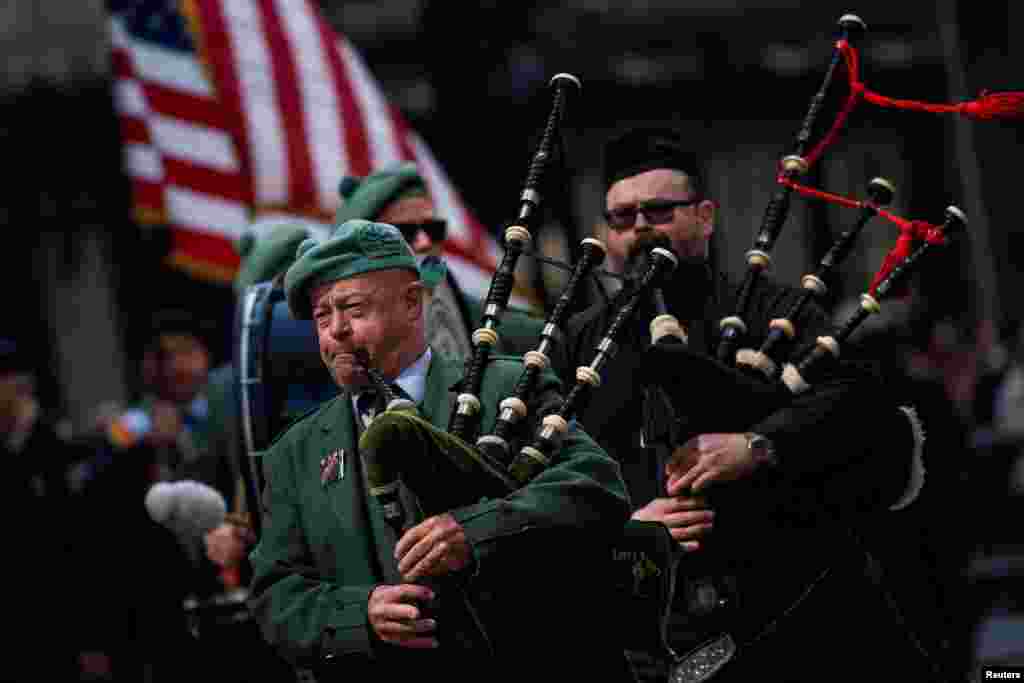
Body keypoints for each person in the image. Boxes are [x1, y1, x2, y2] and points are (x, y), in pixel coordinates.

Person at [551, 127, 935, 681]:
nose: (639, 229)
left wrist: (758, 445)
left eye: (659, 212)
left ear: (705, 217)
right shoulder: (577, 343)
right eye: (621, 217)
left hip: (799, 616)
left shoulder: (777, 310)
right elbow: (554, 472)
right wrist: (629, 522)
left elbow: (859, 408)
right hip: (655, 629)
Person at [248, 219, 634, 680]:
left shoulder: (504, 387)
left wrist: (472, 534)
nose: (336, 332)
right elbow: (276, 595)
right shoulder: (296, 452)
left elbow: (596, 488)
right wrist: (361, 613)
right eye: (321, 317)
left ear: (412, 303)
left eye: (352, 308)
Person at [334, 161, 545, 360]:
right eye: (405, 232)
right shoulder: (336, 335)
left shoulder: (495, 323)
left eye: (432, 229)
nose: (424, 243)